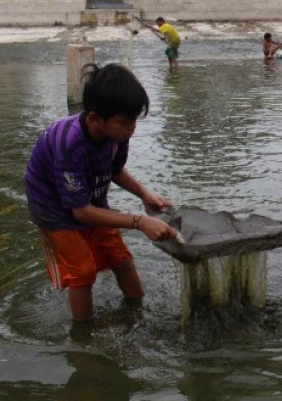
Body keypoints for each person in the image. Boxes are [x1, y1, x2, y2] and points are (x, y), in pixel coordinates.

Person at [24, 63, 177, 322]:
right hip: (54, 208)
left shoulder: (118, 134)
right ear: (96, 118)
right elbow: (80, 212)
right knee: (82, 270)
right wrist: (139, 222)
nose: (132, 129)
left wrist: (143, 193)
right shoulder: (69, 146)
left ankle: (136, 313)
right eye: (125, 123)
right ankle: (84, 337)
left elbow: (114, 169)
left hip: (89, 199)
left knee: (119, 256)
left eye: (134, 121)